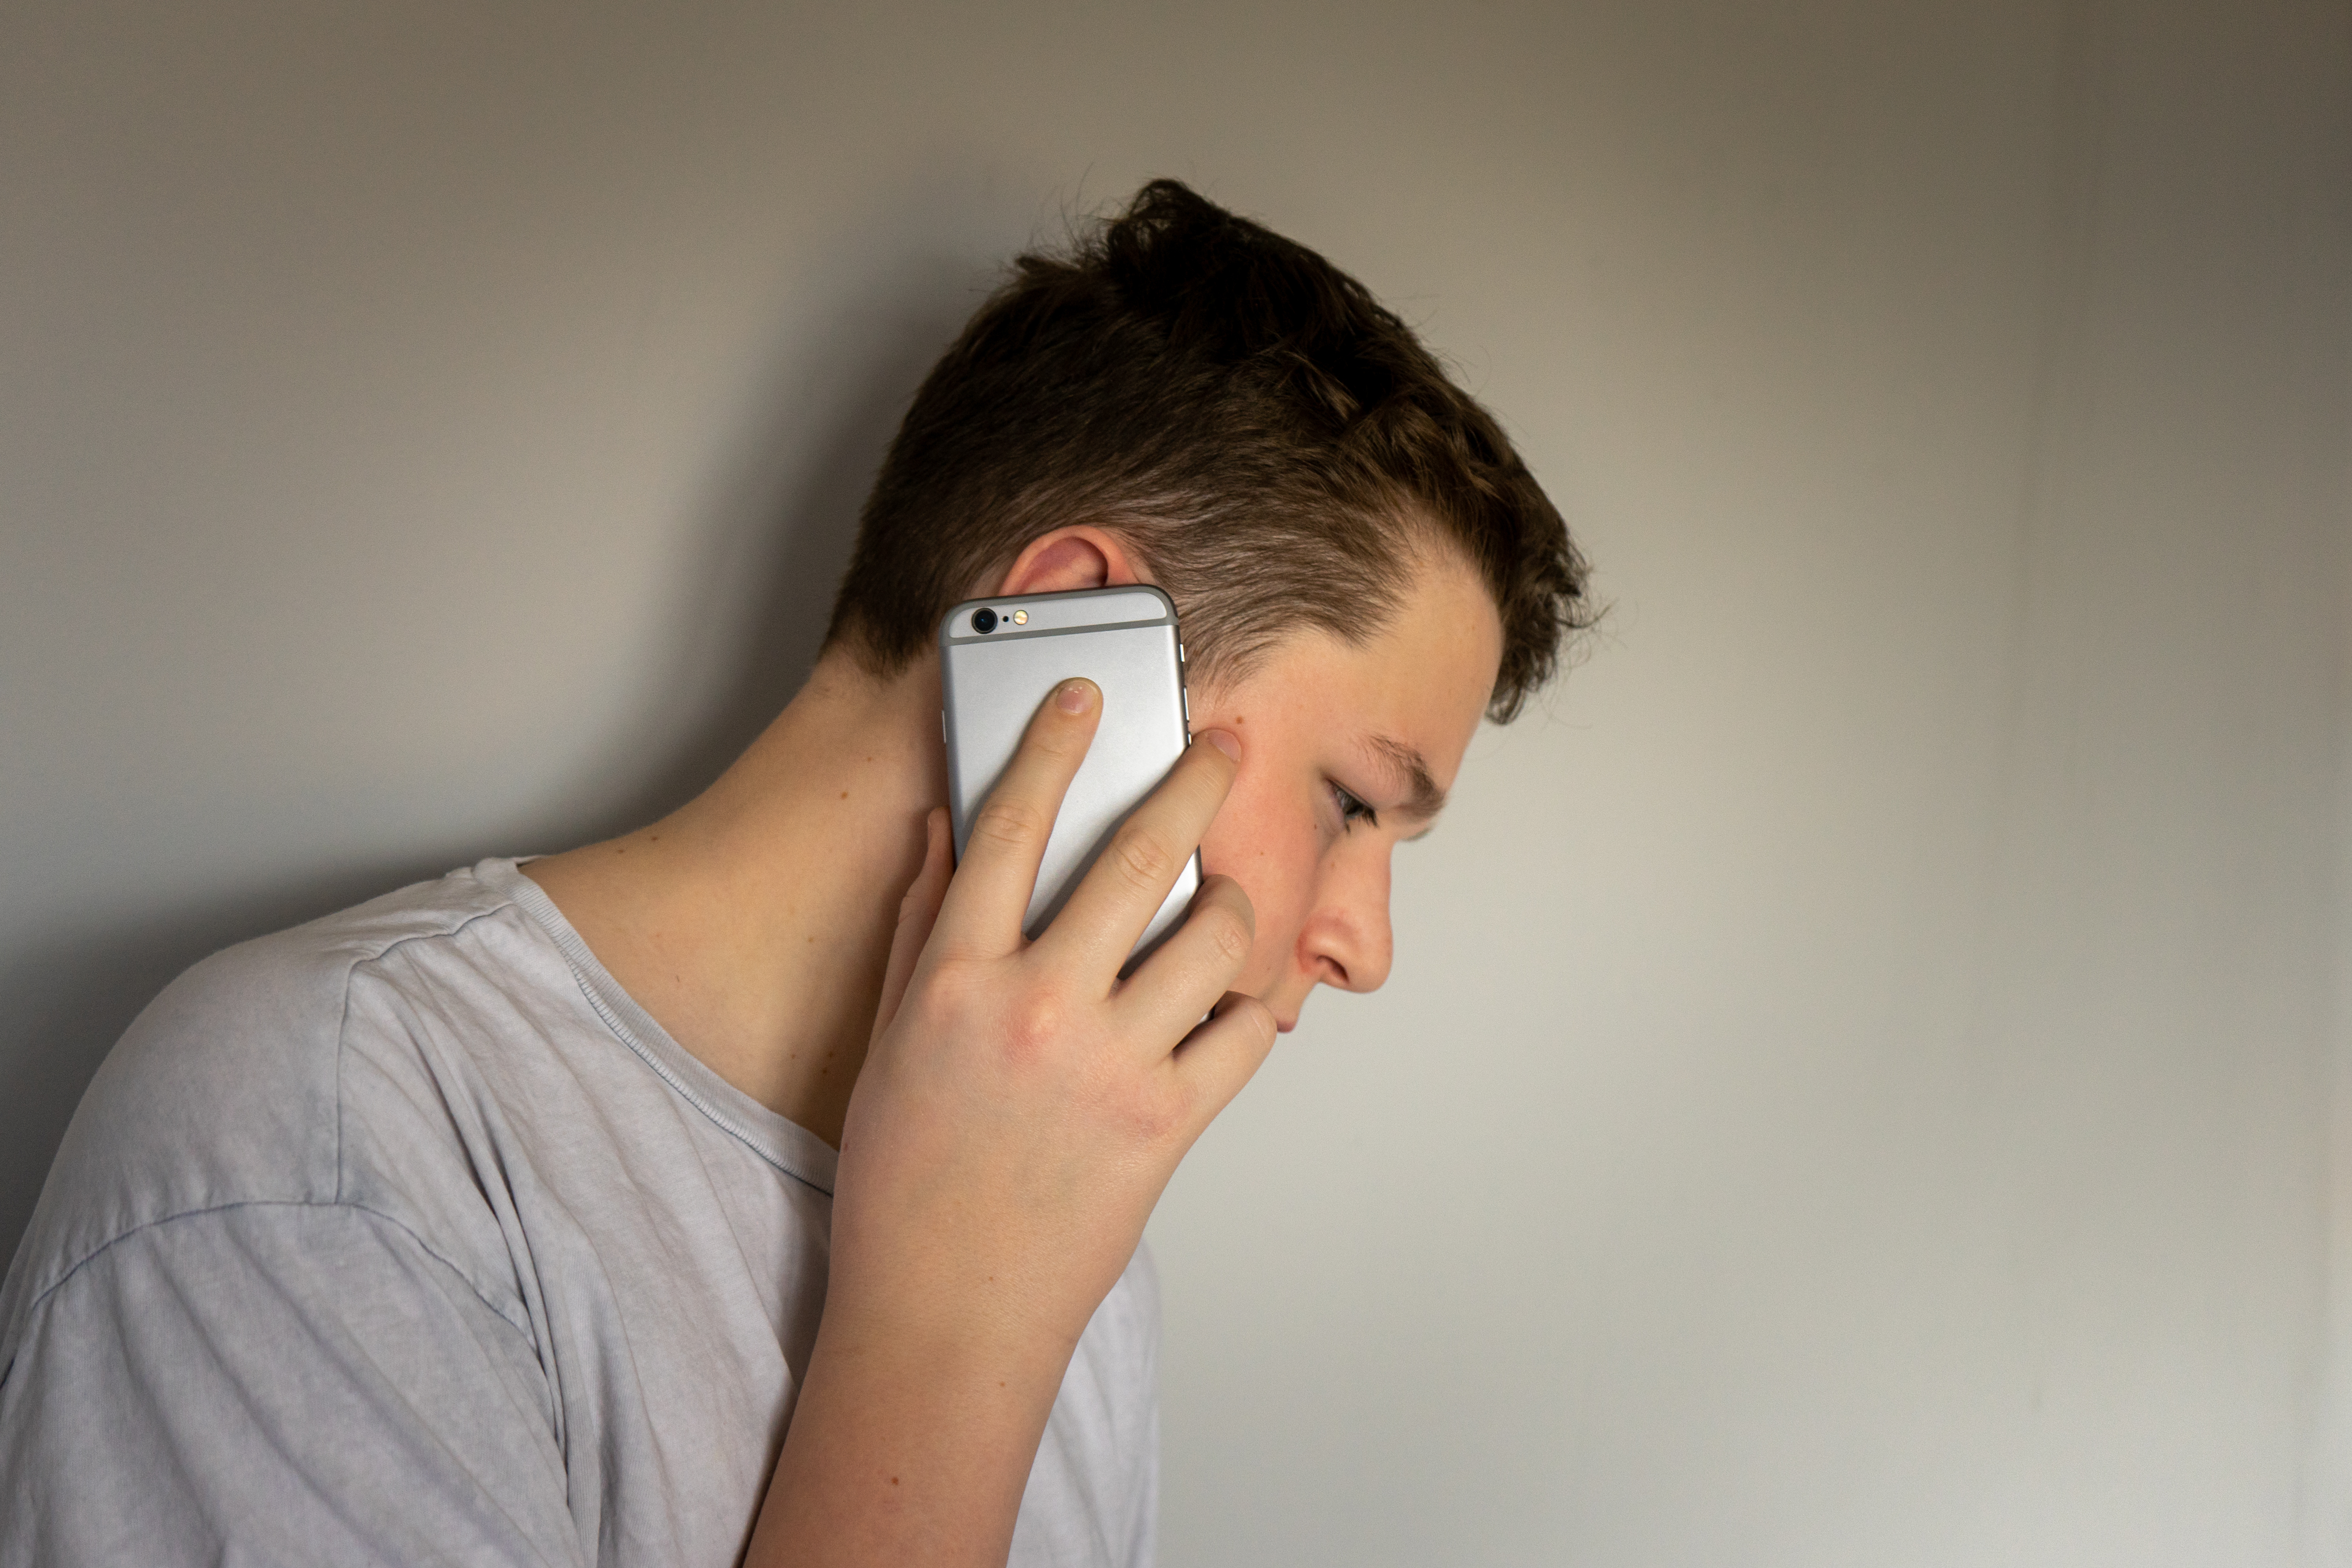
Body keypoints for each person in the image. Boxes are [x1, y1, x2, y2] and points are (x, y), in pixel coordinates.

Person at [0, 180, 1590, 1566]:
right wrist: (951, 1331)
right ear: (1072, 657)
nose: (1365, 946)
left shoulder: (1070, 1231)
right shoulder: (333, 1134)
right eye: (1353, 803)